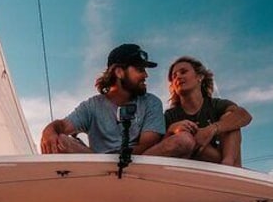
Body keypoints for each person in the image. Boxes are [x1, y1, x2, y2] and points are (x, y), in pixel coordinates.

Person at [40, 44, 195, 158]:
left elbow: (148, 144)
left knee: (184, 140)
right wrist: (49, 131)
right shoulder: (92, 105)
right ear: (119, 72)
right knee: (58, 140)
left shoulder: (151, 102)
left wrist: (114, 160)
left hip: (142, 163)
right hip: (98, 168)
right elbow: (62, 126)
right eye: (140, 70)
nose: (146, 76)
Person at [164, 56, 252, 167]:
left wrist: (211, 129)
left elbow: (244, 116)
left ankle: (228, 167)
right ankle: (227, 167)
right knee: (186, 137)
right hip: (191, 164)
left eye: (183, 72)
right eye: (174, 76)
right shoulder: (170, 115)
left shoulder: (215, 105)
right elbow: (161, 148)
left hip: (223, 160)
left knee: (230, 118)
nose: (178, 77)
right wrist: (172, 130)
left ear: (199, 77)